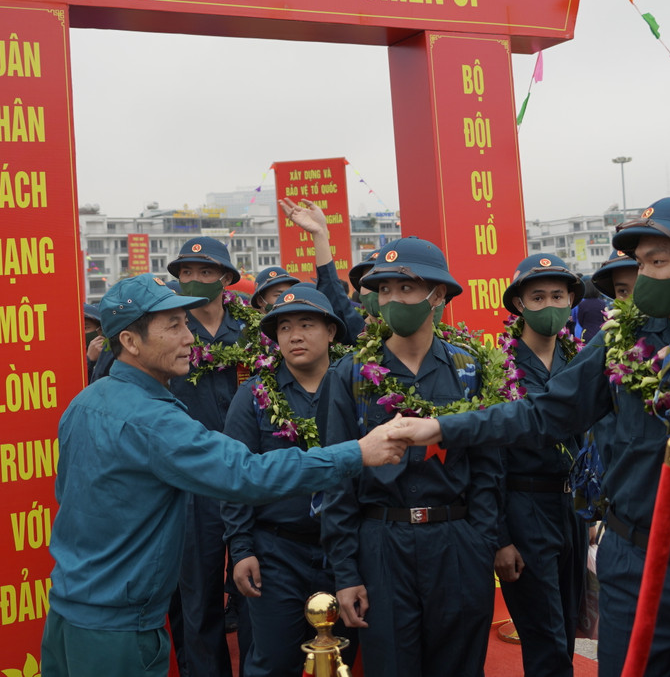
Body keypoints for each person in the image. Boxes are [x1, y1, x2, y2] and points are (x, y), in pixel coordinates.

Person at [385, 200, 670, 676]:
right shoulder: (621, 339)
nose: (640, 274)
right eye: (640, 261)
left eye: (655, 261)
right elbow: (545, 412)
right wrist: (441, 427)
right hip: (639, 567)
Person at [40, 274, 407, 677]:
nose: (191, 338)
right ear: (130, 341)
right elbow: (247, 473)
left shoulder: (85, 401)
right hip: (116, 631)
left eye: (186, 322)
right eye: (174, 326)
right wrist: (358, 452)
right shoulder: (153, 419)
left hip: (68, 612)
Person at [321, 237, 503, 677]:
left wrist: (479, 541)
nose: (393, 299)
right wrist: (345, 571)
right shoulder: (350, 374)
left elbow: (488, 465)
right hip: (382, 542)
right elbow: (337, 475)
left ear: (437, 294)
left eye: (406, 288)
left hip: (455, 540)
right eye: (383, 290)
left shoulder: (470, 369)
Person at [222, 284, 352, 676]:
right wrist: (241, 548)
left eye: (307, 324)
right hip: (277, 552)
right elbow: (235, 477)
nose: (294, 336)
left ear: (331, 331)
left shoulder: (359, 387)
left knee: (341, 659)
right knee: (274, 660)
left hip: (346, 551)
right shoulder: (254, 395)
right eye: (284, 328)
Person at [494, 254, 587, 677]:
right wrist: (500, 537)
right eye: (537, 296)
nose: (549, 304)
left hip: (572, 509)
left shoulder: (582, 361)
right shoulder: (500, 368)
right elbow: (487, 458)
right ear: (518, 305)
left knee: (567, 628)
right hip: (524, 507)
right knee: (544, 635)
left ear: (571, 300)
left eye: (557, 294)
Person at [166, 236, 251, 677]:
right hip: (191, 483)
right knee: (196, 598)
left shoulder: (255, 330)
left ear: (226, 278)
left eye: (203, 272)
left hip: (249, 476)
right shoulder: (165, 330)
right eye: (184, 273)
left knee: (255, 590)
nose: (193, 280)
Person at [280, 198, 368, 338]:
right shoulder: (362, 334)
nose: (296, 337)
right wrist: (319, 233)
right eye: (285, 327)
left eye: (405, 288)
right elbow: (333, 294)